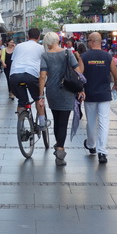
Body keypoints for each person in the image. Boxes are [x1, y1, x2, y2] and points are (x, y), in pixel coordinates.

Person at [38, 32, 84, 166]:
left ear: (47, 42)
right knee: (63, 121)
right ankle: (60, 150)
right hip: (67, 91)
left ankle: (59, 145)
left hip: (52, 91)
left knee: (57, 119)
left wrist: (41, 95)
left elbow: (42, 76)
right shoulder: (67, 53)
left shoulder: (45, 55)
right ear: (57, 40)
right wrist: (81, 88)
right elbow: (78, 72)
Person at [81, 32, 117, 163]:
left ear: (92, 41)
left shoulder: (84, 56)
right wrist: (116, 85)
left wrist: (80, 90)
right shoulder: (107, 56)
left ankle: (91, 145)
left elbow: (78, 76)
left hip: (89, 94)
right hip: (104, 94)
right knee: (104, 122)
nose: (87, 42)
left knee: (91, 122)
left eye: (88, 40)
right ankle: (102, 152)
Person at [8, 28, 48, 128]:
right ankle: (42, 123)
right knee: (39, 98)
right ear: (39, 37)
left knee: (22, 101)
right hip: (31, 75)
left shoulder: (18, 46)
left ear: (27, 37)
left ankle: (21, 126)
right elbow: (44, 66)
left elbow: (13, 60)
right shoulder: (41, 48)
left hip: (14, 76)